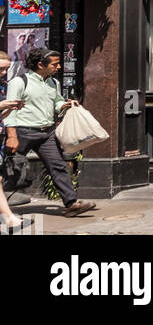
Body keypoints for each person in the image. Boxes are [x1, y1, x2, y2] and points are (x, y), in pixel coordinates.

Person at [3, 48, 95, 217]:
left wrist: (64, 105)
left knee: (58, 166)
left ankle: (71, 204)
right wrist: (12, 136)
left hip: (47, 133)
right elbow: (10, 111)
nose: (59, 67)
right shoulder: (19, 82)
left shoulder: (54, 83)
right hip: (23, 132)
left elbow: (57, 103)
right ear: (40, 65)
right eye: (55, 64)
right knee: (8, 170)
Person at [0, 51, 26, 230]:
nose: (3, 73)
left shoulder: (3, 86)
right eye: (1, 69)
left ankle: (8, 217)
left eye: (6, 69)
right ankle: (8, 217)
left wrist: (11, 108)